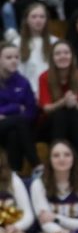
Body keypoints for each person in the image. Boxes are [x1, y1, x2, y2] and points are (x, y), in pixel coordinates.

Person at [38, 41, 78, 170]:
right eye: (58, 54)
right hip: (49, 124)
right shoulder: (44, 77)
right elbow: (46, 109)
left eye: (66, 53)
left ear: (72, 56)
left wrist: (73, 103)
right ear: (52, 58)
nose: (62, 56)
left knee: (71, 112)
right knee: (61, 113)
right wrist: (63, 101)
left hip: (74, 122)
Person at [0, 43, 36, 173]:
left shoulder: (23, 82)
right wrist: (15, 107)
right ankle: (36, 163)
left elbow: (31, 112)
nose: (14, 60)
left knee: (14, 133)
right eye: (9, 57)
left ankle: (14, 174)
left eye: (16, 57)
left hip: (15, 127)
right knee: (19, 121)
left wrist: (7, 115)